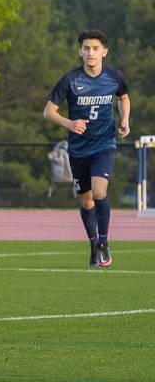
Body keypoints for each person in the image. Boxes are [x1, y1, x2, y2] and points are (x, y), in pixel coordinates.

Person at [44, 29, 130, 267]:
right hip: (78, 149)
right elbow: (48, 112)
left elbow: (123, 97)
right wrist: (69, 123)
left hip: (104, 144)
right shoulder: (70, 80)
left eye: (95, 48)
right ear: (80, 52)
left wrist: (125, 120)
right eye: (86, 48)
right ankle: (93, 244)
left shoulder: (114, 77)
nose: (91, 53)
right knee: (86, 201)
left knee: (100, 192)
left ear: (104, 51)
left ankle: (104, 242)